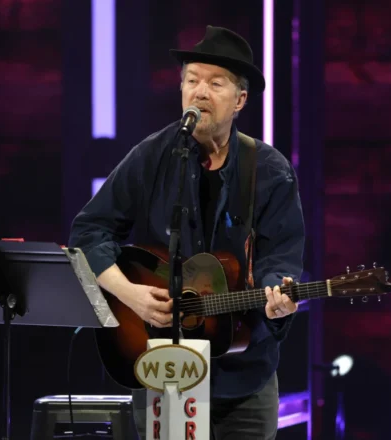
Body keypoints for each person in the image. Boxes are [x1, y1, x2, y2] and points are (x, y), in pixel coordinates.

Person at [68, 25, 305, 440]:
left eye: (215, 83)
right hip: (162, 365)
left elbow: (280, 259)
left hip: (243, 374)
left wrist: (278, 299)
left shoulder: (269, 170)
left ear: (240, 100)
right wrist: (131, 295)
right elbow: (88, 233)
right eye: (192, 80)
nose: (200, 92)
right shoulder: (152, 156)